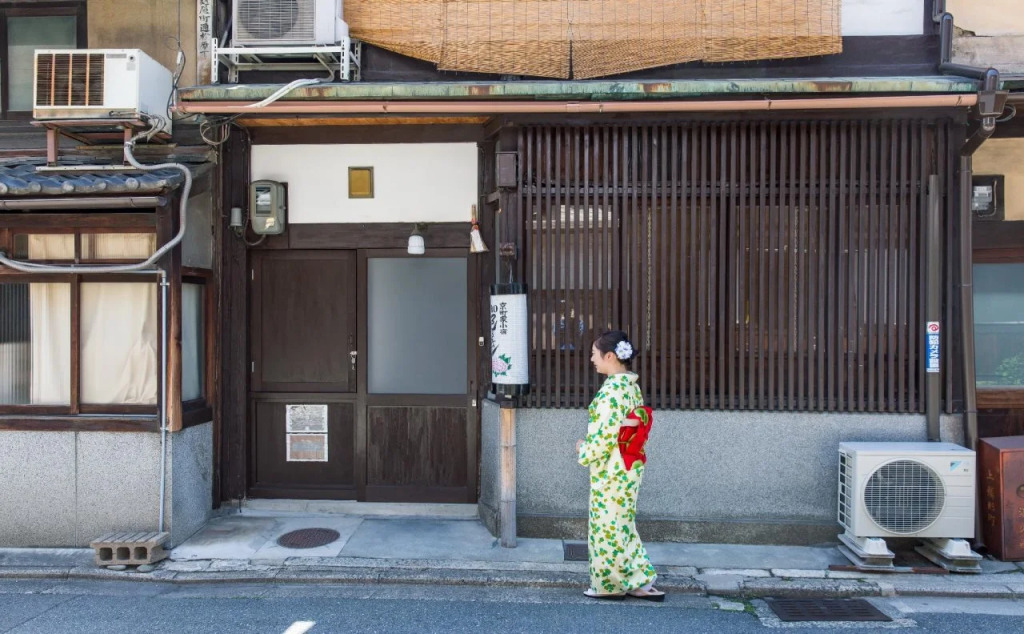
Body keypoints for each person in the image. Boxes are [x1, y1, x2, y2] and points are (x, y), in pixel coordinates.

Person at [576, 330, 664, 601]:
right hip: (630, 464)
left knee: (606, 526)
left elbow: (605, 435)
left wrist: (584, 450)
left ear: (610, 356)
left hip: (612, 468)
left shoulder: (612, 391)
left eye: (594, 353)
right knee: (623, 524)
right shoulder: (630, 386)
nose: (592, 359)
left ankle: (609, 585)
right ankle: (639, 580)